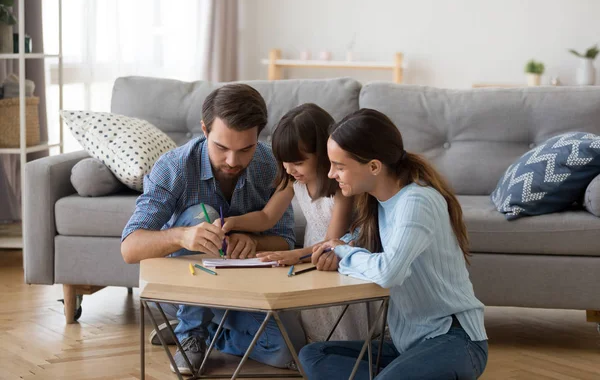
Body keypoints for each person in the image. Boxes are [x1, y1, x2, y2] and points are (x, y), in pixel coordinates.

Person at [120, 84, 305, 375]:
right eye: (222, 148)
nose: (233, 161)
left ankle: (203, 331)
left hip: (242, 291)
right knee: (199, 215)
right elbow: (130, 248)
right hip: (185, 289)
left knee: (283, 351)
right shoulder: (174, 167)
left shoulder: (269, 165)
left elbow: (285, 241)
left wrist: (252, 241)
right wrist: (182, 236)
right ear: (205, 130)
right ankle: (191, 333)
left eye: (246, 148)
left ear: (259, 136)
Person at [298, 109, 488, 379]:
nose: (330, 174)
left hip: (455, 339)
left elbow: (389, 271)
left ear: (374, 166)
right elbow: (355, 245)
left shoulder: (417, 201)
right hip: (407, 346)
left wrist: (343, 252)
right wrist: (338, 250)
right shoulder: (378, 204)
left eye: (339, 166)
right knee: (313, 354)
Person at [217, 103, 353, 265]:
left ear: (324, 153)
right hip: (307, 258)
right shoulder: (293, 181)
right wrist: (232, 221)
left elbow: (331, 242)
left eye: (297, 162)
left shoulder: (341, 188)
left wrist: (295, 255)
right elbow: (266, 217)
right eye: (284, 162)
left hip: (332, 260)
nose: (289, 170)